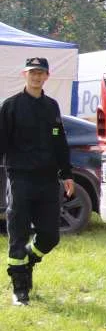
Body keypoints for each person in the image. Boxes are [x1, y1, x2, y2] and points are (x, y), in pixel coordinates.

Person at [0, 57, 75, 306]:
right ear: (24, 75)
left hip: (47, 180)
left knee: (50, 236)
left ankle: (28, 261)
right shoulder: (10, 106)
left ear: (47, 77)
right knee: (18, 234)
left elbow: (59, 142)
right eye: (32, 72)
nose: (36, 77)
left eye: (41, 73)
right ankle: (20, 289)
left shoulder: (52, 107)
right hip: (20, 178)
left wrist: (67, 174)